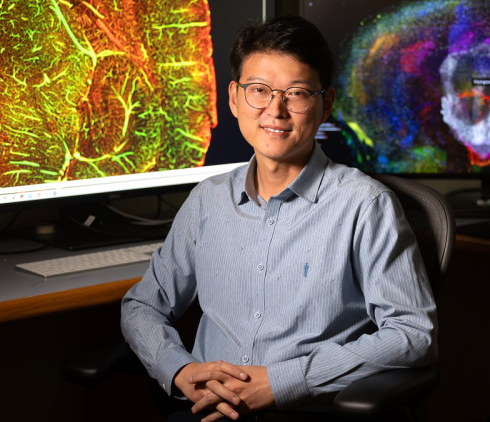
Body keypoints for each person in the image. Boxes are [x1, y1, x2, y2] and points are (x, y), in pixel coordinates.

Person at [121, 15, 437, 422]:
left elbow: (412, 335)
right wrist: (179, 369)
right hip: (205, 411)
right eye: (259, 90)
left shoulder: (365, 205)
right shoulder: (208, 200)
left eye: (297, 93)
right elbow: (143, 304)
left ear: (326, 105)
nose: (275, 110)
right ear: (234, 98)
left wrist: (283, 381)